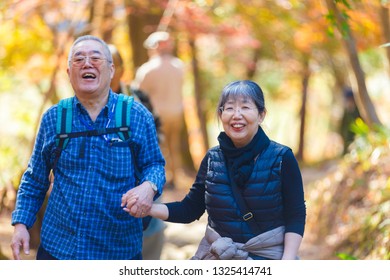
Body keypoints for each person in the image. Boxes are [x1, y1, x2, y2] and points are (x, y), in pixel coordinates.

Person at [10, 35, 165, 260]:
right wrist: (21, 223)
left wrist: (148, 187)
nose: (87, 63)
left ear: (112, 70)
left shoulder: (136, 115)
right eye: (78, 59)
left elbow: (155, 165)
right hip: (59, 248)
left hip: (118, 250)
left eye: (95, 58)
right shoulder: (55, 118)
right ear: (69, 73)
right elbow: (35, 178)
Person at [123, 80, 306, 260]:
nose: (236, 115)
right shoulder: (212, 159)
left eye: (245, 107)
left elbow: (295, 214)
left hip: (268, 258)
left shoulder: (282, 158)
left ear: (261, 115)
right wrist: (147, 208)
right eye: (229, 108)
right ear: (221, 115)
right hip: (219, 257)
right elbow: (190, 209)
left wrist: (287, 263)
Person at [109, 44, 166, 260]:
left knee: (152, 226)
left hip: (142, 173)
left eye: (113, 65)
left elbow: (158, 128)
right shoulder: (86, 99)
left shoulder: (139, 97)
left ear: (122, 69)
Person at [132, 31, 185, 189]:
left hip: (158, 115)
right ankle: (175, 176)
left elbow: (137, 92)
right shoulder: (179, 66)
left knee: (161, 148)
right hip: (176, 112)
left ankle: (163, 178)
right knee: (173, 146)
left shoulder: (147, 69)